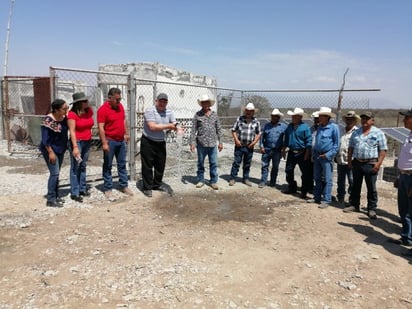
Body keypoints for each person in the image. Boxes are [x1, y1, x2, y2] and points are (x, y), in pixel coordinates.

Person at [343, 111, 387, 219]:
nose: (364, 121)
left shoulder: (378, 133)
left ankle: (371, 208)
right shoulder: (356, 133)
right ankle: (354, 205)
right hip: (357, 162)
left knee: (371, 187)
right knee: (355, 185)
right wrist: (349, 161)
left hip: (370, 163)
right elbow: (351, 147)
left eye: (367, 119)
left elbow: (383, 150)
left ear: (372, 121)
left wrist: (378, 163)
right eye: (363, 119)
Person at [97, 87, 134, 199]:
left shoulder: (120, 107)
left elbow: (123, 120)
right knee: (108, 165)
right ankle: (108, 188)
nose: (119, 101)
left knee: (122, 164)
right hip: (110, 140)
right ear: (110, 98)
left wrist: (126, 133)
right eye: (116, 99)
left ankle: (124, 185)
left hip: (120, 140)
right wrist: (104, 143)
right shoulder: (102, 110)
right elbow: (101, 127)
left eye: (120, 99)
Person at [141, 93, 177, 197]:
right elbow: (152, 127)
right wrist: (169, 126)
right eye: (160, 101)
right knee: (147, 165)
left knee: (160, 165)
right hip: (148, 140)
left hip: (161, 142)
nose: (162, 103)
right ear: (156, 101)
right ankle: (147, 187)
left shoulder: (169, 111)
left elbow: (174, 123)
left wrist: (178, 127)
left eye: (164, 101)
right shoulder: (150, 110)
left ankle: (156, 184)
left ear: (167, 102)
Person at [189, 94, 223, 190]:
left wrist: (220, 142)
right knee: (200, 163)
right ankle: (201, 180)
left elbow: (219, 129)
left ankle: (213, 181)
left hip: (212, 144)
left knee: (213, 163)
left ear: (210, 104)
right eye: (203, 102)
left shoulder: (214, 115)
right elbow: (193, 130)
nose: (205, 104)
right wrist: (192, 143)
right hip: (201, 144)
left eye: (207, 102)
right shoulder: (197, 115)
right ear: (201, 104)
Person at [39, 99, 69, 207]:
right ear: (56, 110)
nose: (66, 110)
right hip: (50, 149)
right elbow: (45, 139)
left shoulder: (64, 119)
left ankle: (56, 195)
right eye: (64, 109)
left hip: (60, 149)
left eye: (67, 108)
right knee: (54, 173)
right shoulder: (48, 120)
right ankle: (51, 199)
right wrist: (50, 152)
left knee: (57, 173)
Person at [309, 107, 340, 208]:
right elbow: (316, 142)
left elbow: (336, 145)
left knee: (327, 179)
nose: (319, 118)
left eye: (321, 116)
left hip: (326, 156)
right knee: (317, 177)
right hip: (318, 155)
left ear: (327, 117)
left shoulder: (334, 128)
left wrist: (328, 155)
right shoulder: (320, 127)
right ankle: (316, 197)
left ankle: (326, 200)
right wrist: (314, 154)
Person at [67, 92, 94, 202]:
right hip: (77, 142)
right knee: (75, 167)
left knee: (83, 165)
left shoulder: (89, 111)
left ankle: (82, 188)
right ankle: (75, 192)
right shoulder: (72, 115)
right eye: (84, 101)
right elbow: (72, 131)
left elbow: (90, 123)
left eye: (86, 100)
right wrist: (75, 147)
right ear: (78, 103)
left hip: (87, 141)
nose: (87, 102)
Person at [281, 107, 312, 198]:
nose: (293, 118)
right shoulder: (289, 127)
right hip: (291, 152)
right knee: (289, 170)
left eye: (295, 116)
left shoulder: (305, 127)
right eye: (293, 116)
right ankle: (292, 187)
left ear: (300, 117)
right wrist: (283, 150)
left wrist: (307, 153)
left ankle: (304, 191)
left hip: (302, 152)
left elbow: (308, 141)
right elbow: (286, 139)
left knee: (305, 173)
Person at [228, 102, 261, 186]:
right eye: (247, 110)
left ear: (253, 112)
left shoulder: (256, 122)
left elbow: (258, 133)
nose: (248, 112)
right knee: (236, 162)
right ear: (245, 111)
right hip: (239, 145)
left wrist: (254, 142)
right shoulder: (239, 119)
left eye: (250, 111)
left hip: (249, 146)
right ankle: (232, 178)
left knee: (247, 163)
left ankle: (245, 178)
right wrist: (236, 140)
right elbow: (233, 130)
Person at [394, 109, 412, 246]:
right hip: (404, 176)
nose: (404, 120)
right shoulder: (409, 135)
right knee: (404, 209)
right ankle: (406, 237)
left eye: (407, 118)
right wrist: (400, 175)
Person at [258, 108, 287, 188]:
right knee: (264, 165)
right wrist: (261, 146)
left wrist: (284, 149)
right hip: (267, 149)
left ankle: (272, 182)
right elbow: (262, 137)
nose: (274, 118)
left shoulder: (283, 127)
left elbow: (286, 137)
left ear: (278, 117)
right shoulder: (266, 126)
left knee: (275, 167)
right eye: (272, 116)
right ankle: (263, 181)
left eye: (275, 116)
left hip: (277, 150)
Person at [335, 111, 359, 205]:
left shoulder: (357, 132)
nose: (349, 121)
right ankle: (340, 197)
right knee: (340, 180)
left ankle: (351, 200)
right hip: (340, 159)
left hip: (351, 161)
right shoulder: (341, 130)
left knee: (352, 181)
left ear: (355, 120)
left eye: (351, 119)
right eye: (347, 119)